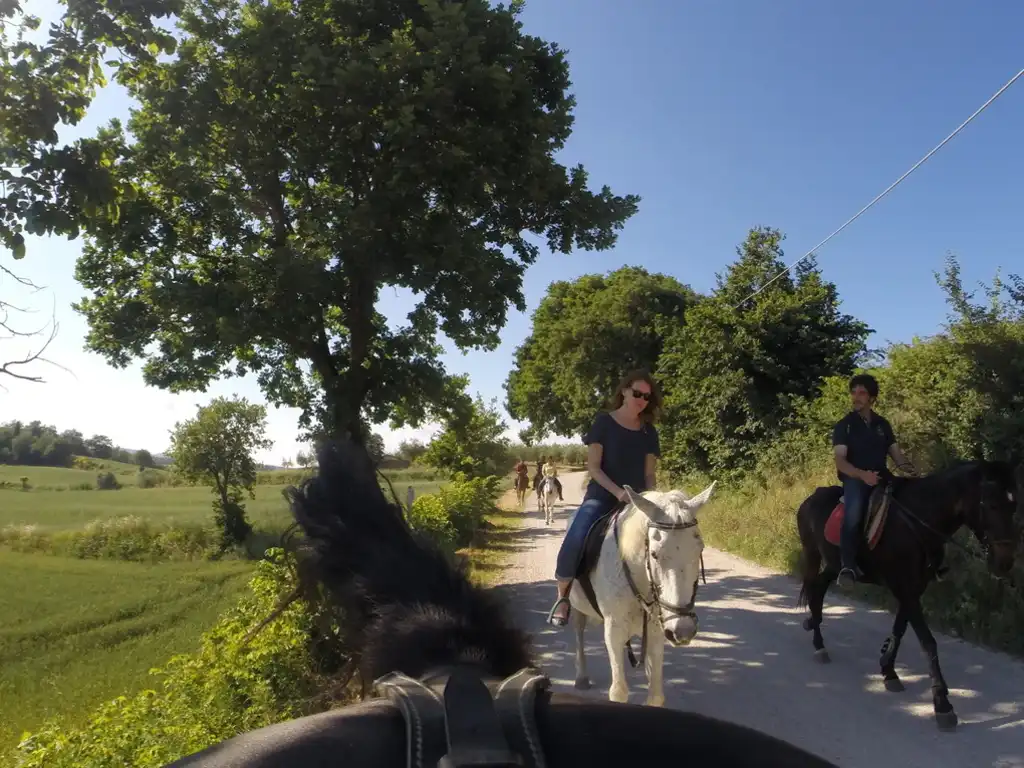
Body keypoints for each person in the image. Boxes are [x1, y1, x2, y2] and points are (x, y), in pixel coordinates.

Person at [547, 369, 662, 627]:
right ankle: (562, 598)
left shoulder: (648, 432)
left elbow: (650, 474)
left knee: (666, 541)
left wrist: (651, 499)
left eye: (646, 396)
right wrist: (618, 492)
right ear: (623, 391)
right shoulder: (603, 423)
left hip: (638, 501)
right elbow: (594, 468)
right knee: (576, 537)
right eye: (637, 393)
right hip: (602, 496)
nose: (642, 399)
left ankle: (662, 601)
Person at [831, 373, 916, 586]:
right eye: (853, 392)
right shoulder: (845, 425)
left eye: (862, 393)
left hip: (883, 476)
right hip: (855, 479)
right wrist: (862, 475)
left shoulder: (882, 425)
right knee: (854, 514)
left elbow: (897, 456)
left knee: (912, 503)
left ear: (872, 398)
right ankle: (848, 566)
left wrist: (912, 473)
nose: (856, 397)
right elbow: (840, 461)